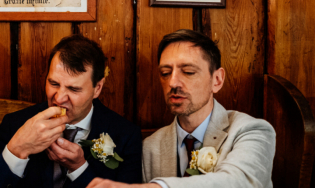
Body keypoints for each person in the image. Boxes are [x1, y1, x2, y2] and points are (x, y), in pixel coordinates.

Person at [86, 29, 276, 188]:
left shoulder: (252, 130)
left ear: (217, 80)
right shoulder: (150, 147)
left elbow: (240, 181)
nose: (173, 82)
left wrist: (157, 186)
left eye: (188, 72)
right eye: (165, 73)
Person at [0, 35, 142, 188]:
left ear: (97, 88)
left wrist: (79, 169)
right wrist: (18, 149)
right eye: (54, 83)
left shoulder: (126, 135)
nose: (58, 99)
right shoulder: (14, 124)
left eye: (73, 89)